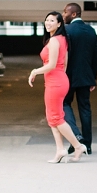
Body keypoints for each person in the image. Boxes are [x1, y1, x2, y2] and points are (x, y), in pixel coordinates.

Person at [28, 11, 88, 163]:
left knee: (56, 118)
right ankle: (60, 150)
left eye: (52, 21)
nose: (48, 23)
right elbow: (65, 64)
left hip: (55, 82)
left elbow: (52, 64)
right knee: (52, 117)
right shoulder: (63, 39)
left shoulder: (54, 41)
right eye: (46, 20)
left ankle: (78, 146)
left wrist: (35, 71)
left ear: (59, 24)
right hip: (59, 80)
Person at [61, 2, 97, 155]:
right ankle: (88, 146)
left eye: (65, 12)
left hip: (68, 77)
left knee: (65, 104)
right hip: (85, 77)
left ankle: (76, 137)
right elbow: (96, 57)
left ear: (74, 14)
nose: (63, 15)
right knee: (85, 109)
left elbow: (63, 55)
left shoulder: (66, 30)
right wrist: (93, 78)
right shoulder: (91, 31)